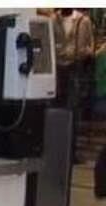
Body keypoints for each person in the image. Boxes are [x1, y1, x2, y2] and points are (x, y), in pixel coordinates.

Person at [54, 8, 95, 162]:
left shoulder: (83, 21)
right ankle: (58, 149)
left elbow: (90, 45)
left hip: (75, 67)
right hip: (58, 68)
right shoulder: (54, 20)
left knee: (73, 109)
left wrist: (82, 52)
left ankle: (70, 152)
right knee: (57, 109)